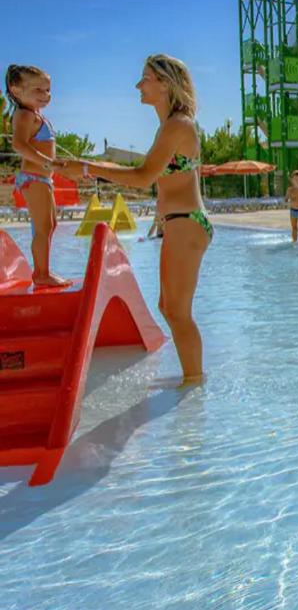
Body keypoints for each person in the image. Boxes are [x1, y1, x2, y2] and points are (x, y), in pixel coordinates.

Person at [62, 54, 211, 386]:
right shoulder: (168, 126)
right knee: (168, 307)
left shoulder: (178, 125)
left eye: (145, 78)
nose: (138, 85)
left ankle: (194, 387)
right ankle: (192, 380)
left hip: (187, 222)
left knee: (177, 312)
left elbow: (144, 176)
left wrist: (87, 168)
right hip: (179, 222)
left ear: (164, 82)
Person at [5, 65, 69, 286]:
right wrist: (47, 162)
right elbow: (18, 144)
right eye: (38, 90)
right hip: (33, 178)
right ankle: (41, 274)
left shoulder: (36, 116)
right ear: (16, 91)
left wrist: (54, 166)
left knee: (50, 225)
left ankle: (44, 271)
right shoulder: (23, 115)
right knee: (43, 227)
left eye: (48, 90)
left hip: (43, 179)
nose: (45, 95)